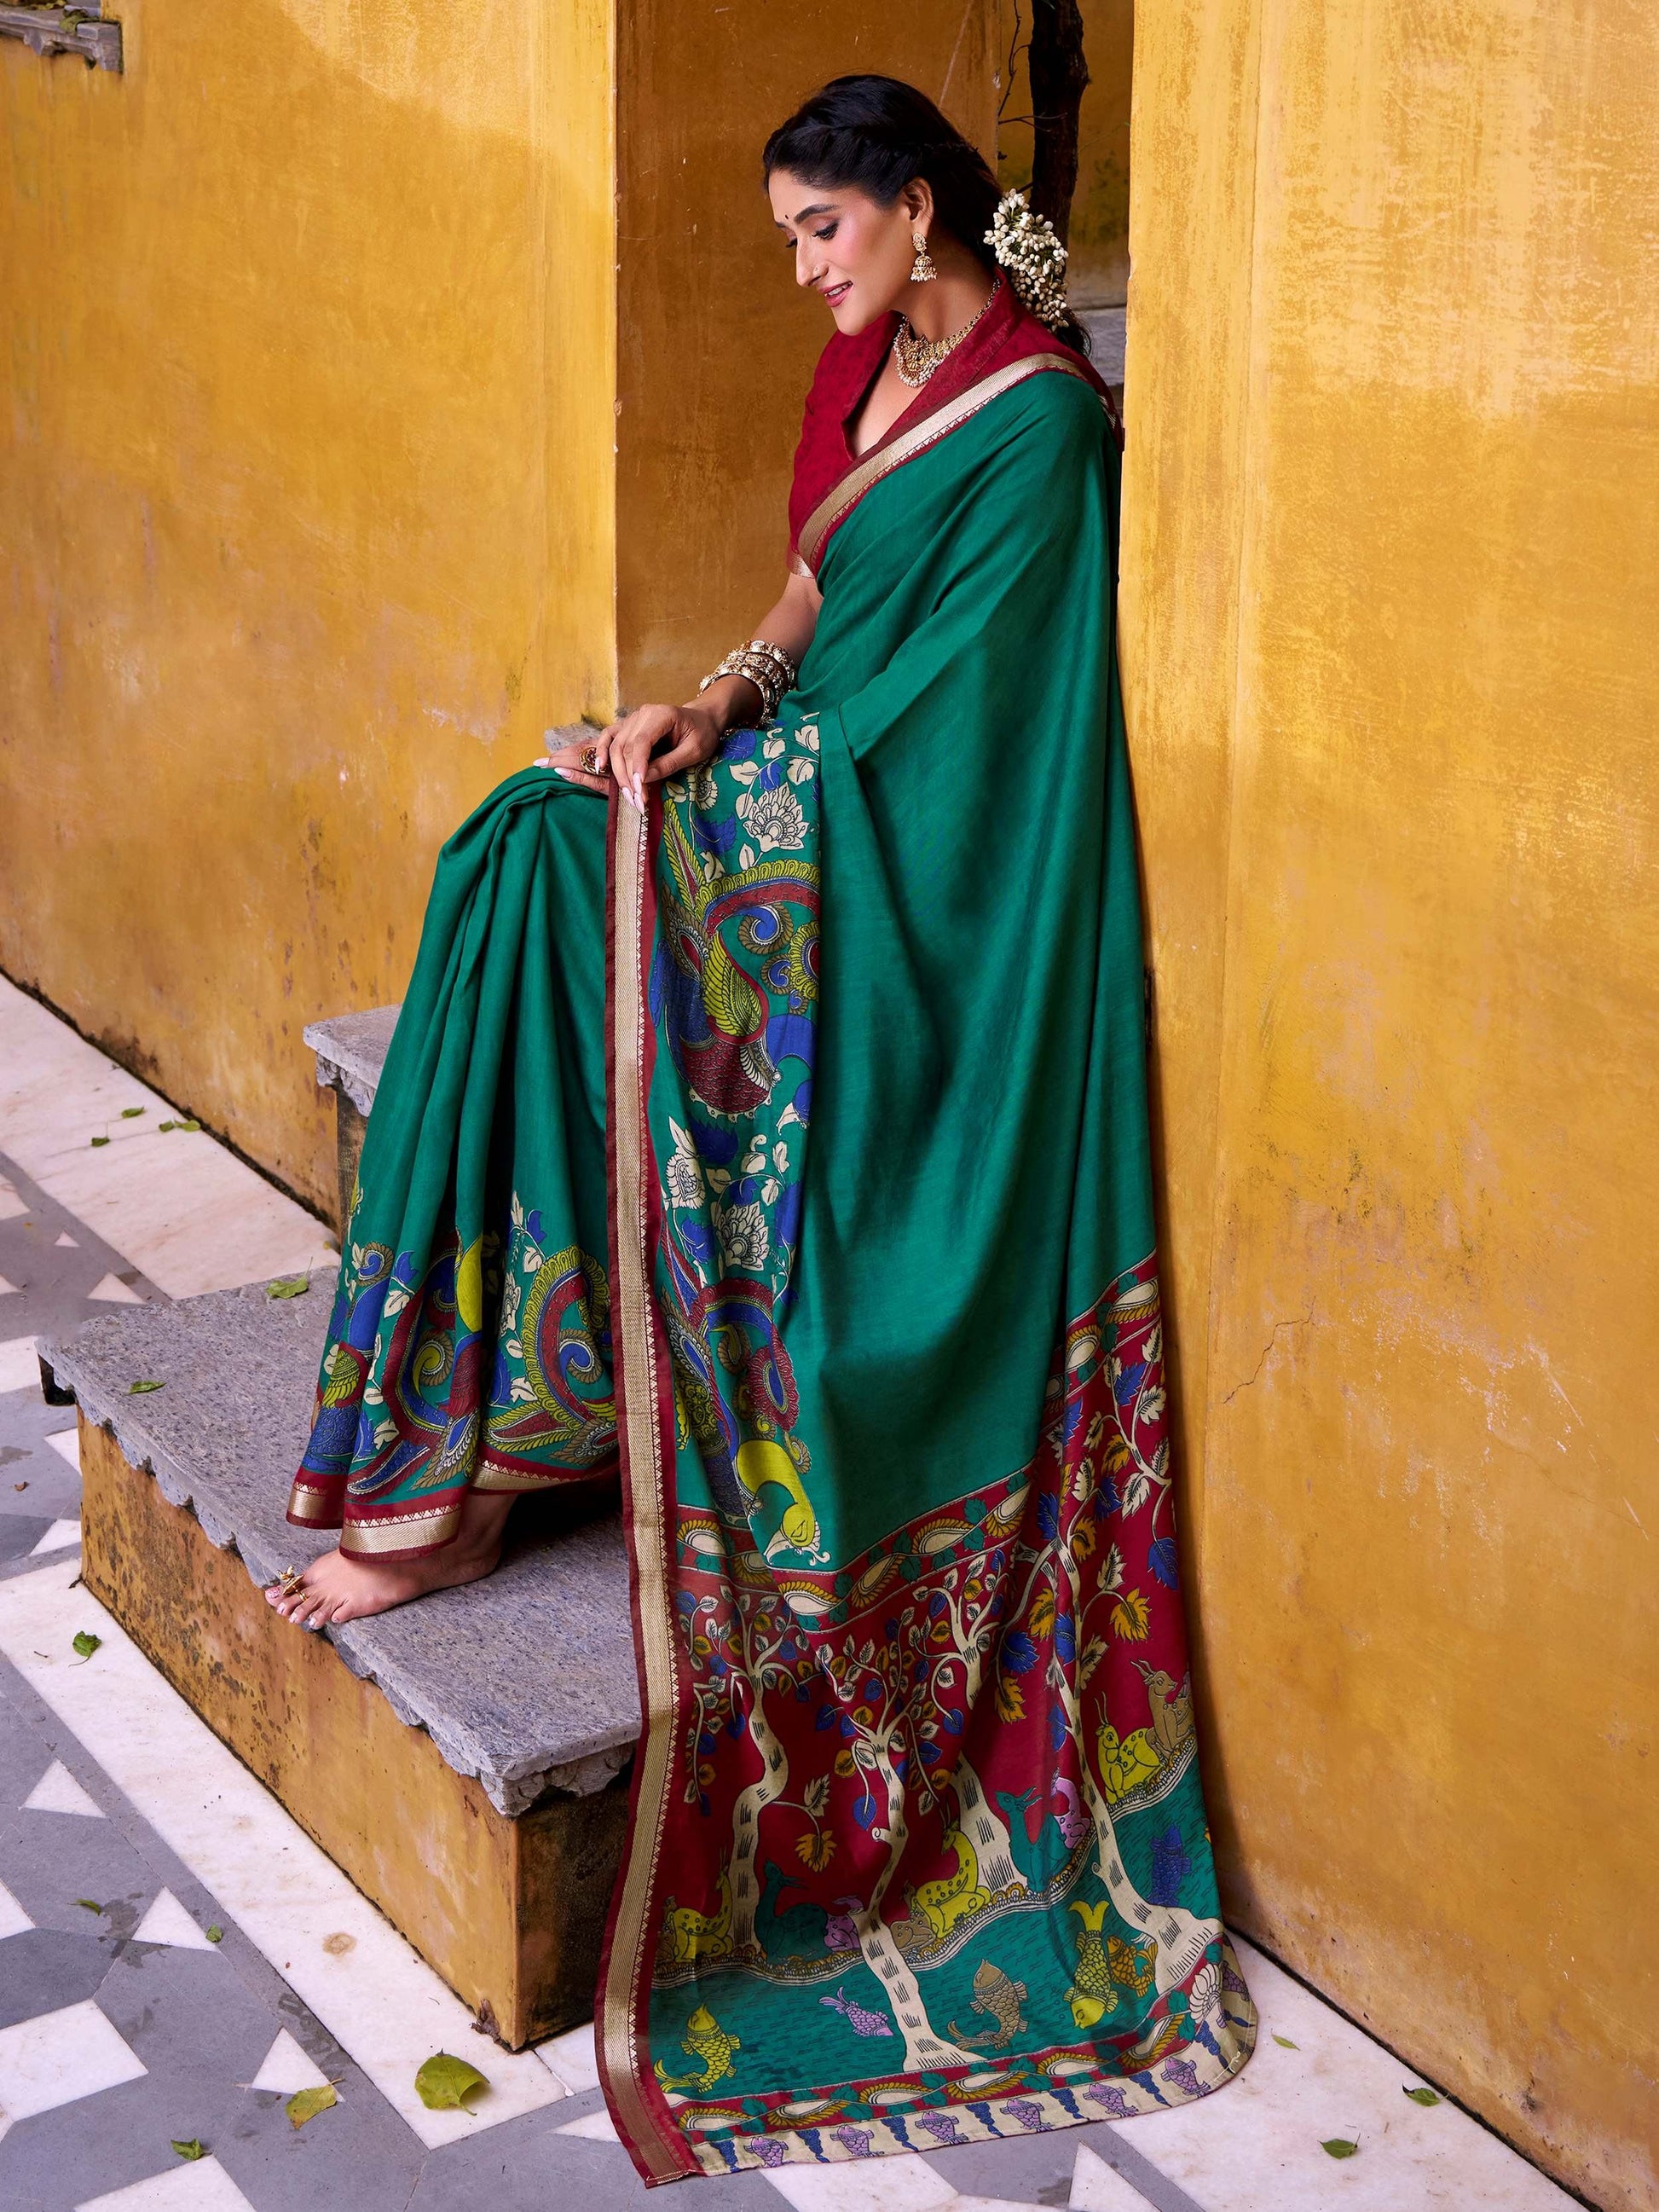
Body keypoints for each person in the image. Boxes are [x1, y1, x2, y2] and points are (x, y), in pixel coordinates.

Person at [265, 72, 1255, 2182]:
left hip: (929, 897)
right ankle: (488, 1440)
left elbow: (973, 728)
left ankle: (463, 1482)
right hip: (817, 779)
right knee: (514, 854)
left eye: (824, 231)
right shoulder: (874, 369)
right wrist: (710, 703)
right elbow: (812, 602)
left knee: (543, 869)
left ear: (913, 212)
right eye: (794, 237)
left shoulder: (1040, 425)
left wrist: (747, 802)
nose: (804, 272)